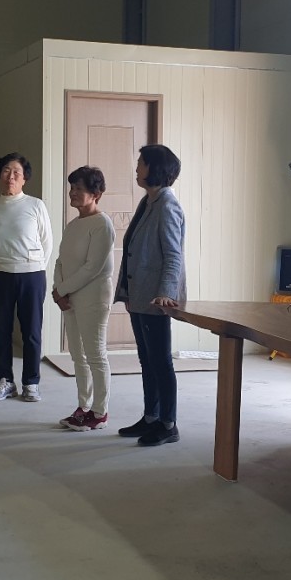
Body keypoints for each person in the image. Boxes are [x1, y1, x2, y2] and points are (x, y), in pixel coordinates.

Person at [115, 144, 187, 446]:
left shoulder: (167, 206)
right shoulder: (149, 201)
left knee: (161, 362)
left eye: (141, 163)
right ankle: (150, 417)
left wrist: (166, 293)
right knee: (147, 360)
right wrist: (128, 292)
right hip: (140, 295)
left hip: (157, 299)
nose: (137, 168)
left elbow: (173, 255)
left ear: (155, 169)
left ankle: (168, 424)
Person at [0, 152, 53, 402]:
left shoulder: (36, 205)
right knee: (1, 330)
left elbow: (47, 242)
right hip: (0, 274)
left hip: (32, 275)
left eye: (16, 173)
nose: (11, 176)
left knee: (31, 331)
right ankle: (5, 381)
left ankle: (31, 382)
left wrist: (35, 265)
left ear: (24, 179)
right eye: (6, 171)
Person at [51, 166, 115, 431]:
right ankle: (83, 406)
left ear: (95, 194)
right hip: (69, 297)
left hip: (93, 297)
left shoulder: (102, 224)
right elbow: (60, 261)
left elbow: (93, 267)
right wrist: (58, 289)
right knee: (78, 355)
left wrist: (62, 290)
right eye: (72, 188)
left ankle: (99, 412)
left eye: (79, 188)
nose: (72, 193)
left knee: (95, 354)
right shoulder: (73, 225)